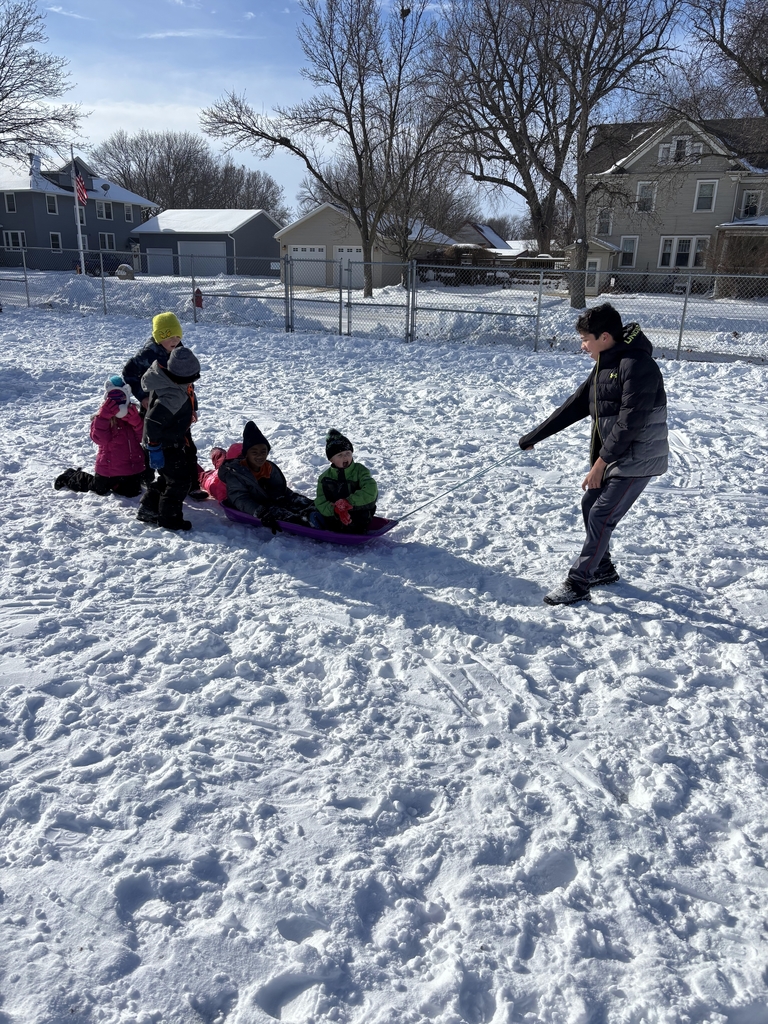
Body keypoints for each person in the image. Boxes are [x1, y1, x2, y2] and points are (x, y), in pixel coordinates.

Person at [518, 303, 668, 606]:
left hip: (638, 457)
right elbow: (576, 404)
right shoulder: (607, 363)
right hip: (618, 455)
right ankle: (601, 568)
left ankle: (578, 583)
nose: (583, 346)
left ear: (604, 336)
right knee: (591, 503)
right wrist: (534, 437)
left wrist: (600, 463)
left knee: (601, 514)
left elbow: (629, 424)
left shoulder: (639, 366)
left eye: (586, 339)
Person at [136, 346, 201, 532]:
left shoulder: (172, 381)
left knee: (168, 477)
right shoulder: (172, 395)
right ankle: (169, 519)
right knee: (179, 481)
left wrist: (189, 412)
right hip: (163, 444)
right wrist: (154, 447)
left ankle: (148, 507)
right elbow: (153, 421)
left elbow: (188, 392)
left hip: (170, 439)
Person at [54, 376, 145, 497]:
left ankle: (117, 485)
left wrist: (137, 422)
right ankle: (71, 475)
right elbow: (100, 439)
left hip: (130, 469)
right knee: (98, 489)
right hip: (107, 469)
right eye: (113, 399)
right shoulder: (102, 418)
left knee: (132, 492)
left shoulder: (133, 415)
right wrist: (103, 417)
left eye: (121, 398)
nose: (117, 403)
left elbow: (143, 438)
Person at [219, 422, 314, 532]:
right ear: (246, 454)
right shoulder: (237, 473)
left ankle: (320, 515)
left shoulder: (269, 468)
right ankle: (306, 523)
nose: (260, 455)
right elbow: (240, 499)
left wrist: (304, 501)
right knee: (287, 515)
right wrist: (260, 512)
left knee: (302, 504)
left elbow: (281, 490)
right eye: (254, 452)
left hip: (270, 501)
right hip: (254, 506)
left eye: (263, 452)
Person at [313, 429, 378, 533]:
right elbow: (320, 501)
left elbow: (371, 490)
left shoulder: (360, 471)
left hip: (360, 521)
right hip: (334, 521)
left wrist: (348, 502)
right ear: (331, 460)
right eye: (339, 455)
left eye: (348, 453)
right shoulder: (324, 478)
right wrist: (335, 510)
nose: (345, 457)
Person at [122, 312, 184, 409]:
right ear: (159, 338)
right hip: (153, 405)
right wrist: (143, 397)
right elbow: (128, 373)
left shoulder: (180, 353)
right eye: (171, 337)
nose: (175, 341)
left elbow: (187, 383)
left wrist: (192, 407)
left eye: (178, 337)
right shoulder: (147, 354)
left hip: (177, 405)